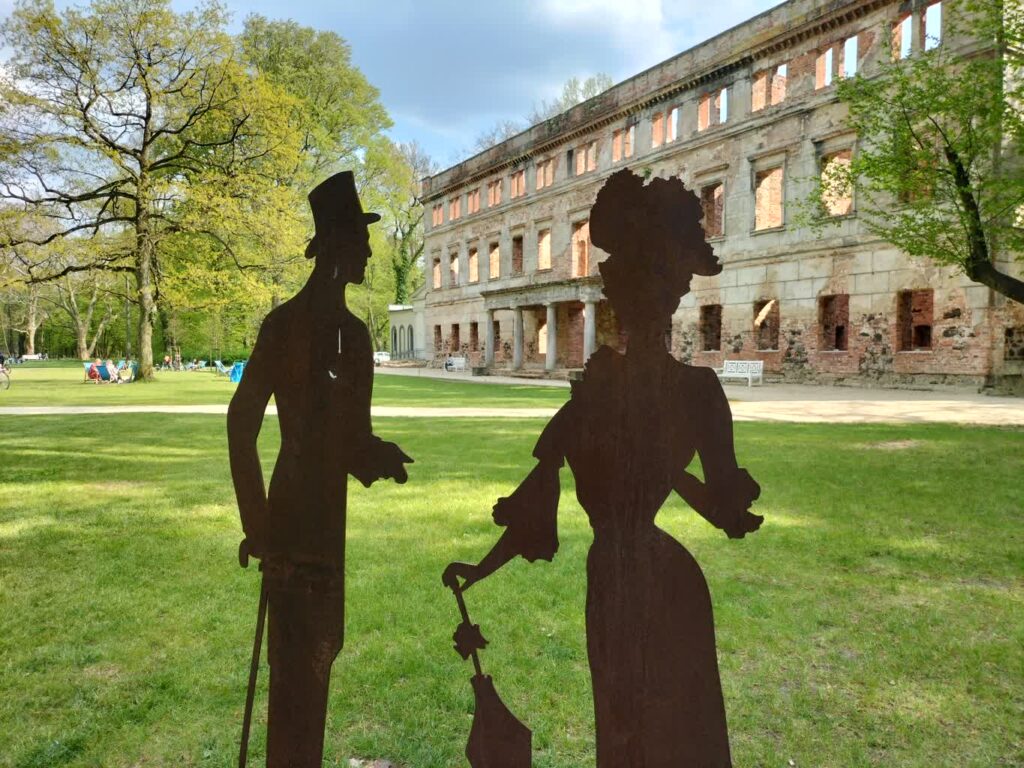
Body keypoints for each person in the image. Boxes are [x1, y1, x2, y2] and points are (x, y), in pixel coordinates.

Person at [444, 170, 762, 767]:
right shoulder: (684, 391)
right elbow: (727, 512)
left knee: (629, 725)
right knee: (648, 727)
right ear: (671, 300)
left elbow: (537, 503)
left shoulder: (601, 394)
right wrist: (478, 569)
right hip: (651, 574)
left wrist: (480, 569)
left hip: (621, 575)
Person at [228, 170, 412, 768]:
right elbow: (241, 423)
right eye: (361, 241)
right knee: (294, 663)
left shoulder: (354, 338)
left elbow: (350, 443)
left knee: (320, 650)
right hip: (292, 519)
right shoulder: (285, 327)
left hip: (325, 520)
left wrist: (379, 456)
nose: (368, 254)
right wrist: (258, 523)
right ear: (334, 244)